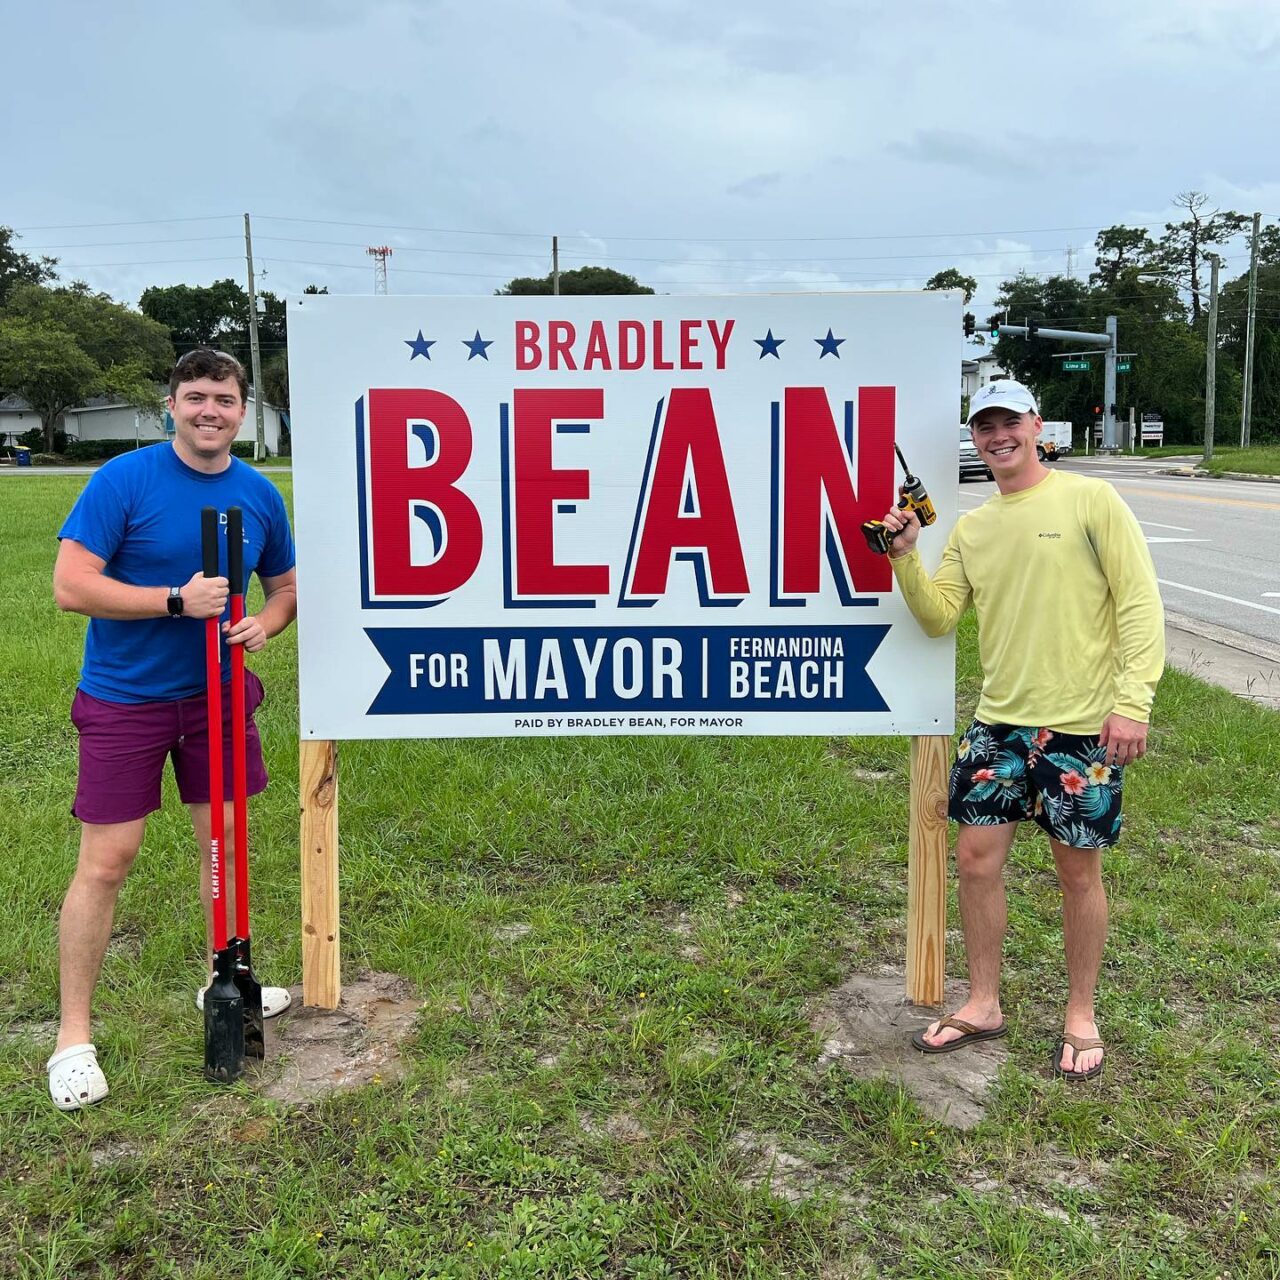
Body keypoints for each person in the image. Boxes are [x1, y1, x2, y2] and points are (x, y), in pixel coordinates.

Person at [883, 380, 1163, 1082]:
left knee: (1077, 872)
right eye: (984, 426)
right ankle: (982, 1003)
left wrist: (1133, 700)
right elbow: (941, 615)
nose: (998, 435)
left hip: (1080, 728)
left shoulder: (1090, 500)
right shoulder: (975, 528)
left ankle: (1080, 1014)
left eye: (1010, 422)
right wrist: (905, 556)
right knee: (975, 862)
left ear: (1037, 426)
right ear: (973, 437)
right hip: (998, 725)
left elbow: (1138, 601)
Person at [46, 348, 298, 1110]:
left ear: (242, 409)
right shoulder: (123, 480)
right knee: (108, 860)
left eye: (224, 398)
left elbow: (284, 587)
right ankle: (72, 1039)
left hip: (217, 699)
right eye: (195, 397)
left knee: (222, 843)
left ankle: (226, 979)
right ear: (171, 405)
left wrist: (266, 624)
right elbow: (70, 585)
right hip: (126, 700)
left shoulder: (257, 493)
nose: (209, 411)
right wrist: (172, 601)